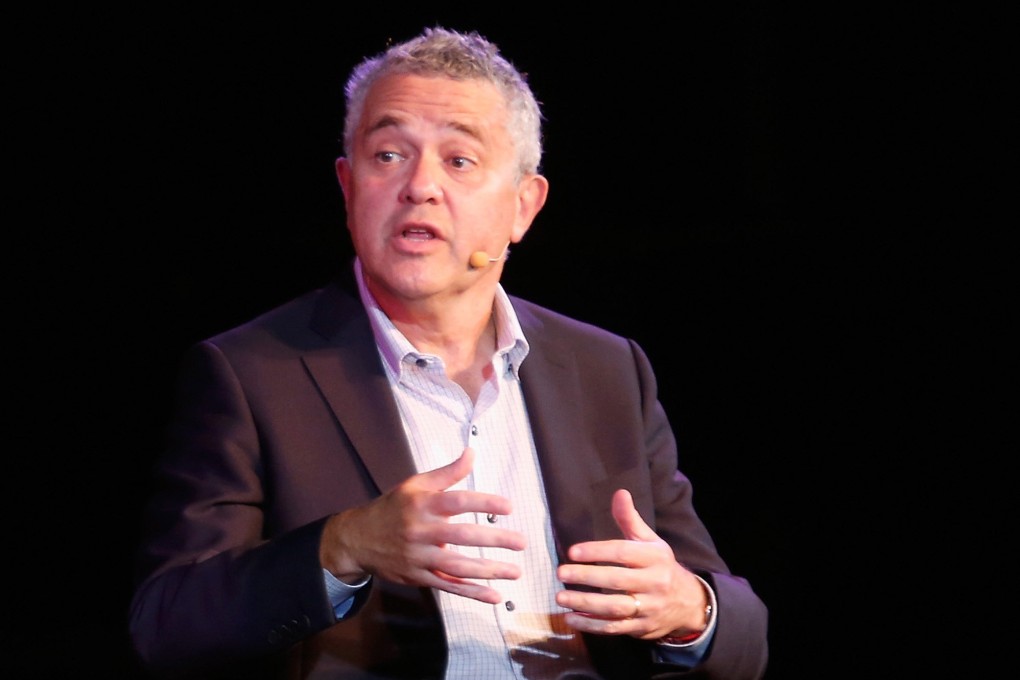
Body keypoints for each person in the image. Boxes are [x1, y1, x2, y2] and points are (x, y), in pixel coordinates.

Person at [129, 26, 769, 680]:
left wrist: (689, 609)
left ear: (523, 207)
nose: (420, 186)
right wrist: (342, 546)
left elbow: (746, 643)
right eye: (388, 155)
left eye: (459, 160)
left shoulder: (608, 370)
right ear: (348, 186)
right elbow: (167, 625)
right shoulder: (250, 374)